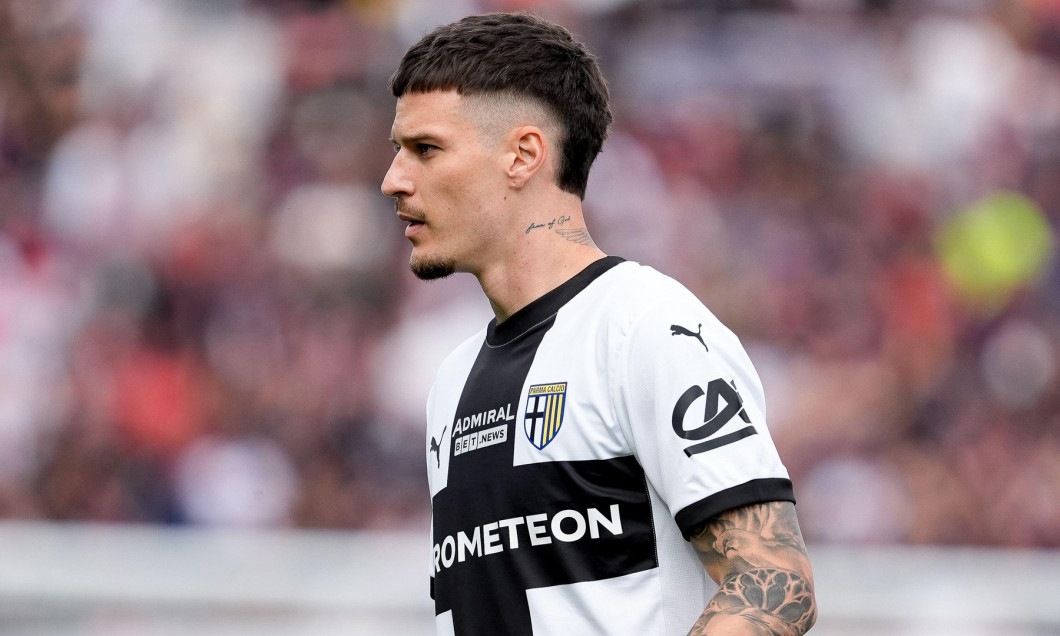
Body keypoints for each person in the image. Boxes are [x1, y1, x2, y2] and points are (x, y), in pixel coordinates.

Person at [381, 12, 817, 636]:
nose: (393, 179)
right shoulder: (450, 384)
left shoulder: (645, 328)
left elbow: (775, 587)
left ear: (523, 155)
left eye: (426, 150)